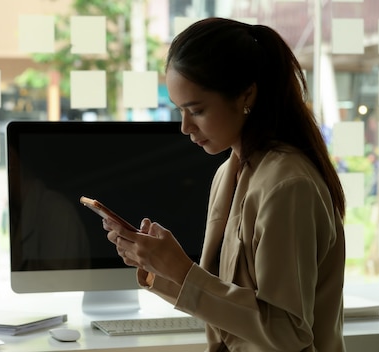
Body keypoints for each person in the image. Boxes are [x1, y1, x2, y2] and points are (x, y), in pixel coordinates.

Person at [102, 17, 346, 352]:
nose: (185, 126)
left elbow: (287, 334)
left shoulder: (288, 186)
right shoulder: (227, 174)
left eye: (197, 110)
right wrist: (156, 266)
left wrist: (182, 270)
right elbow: (229, 309)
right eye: (180, 111)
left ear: (247, 95)